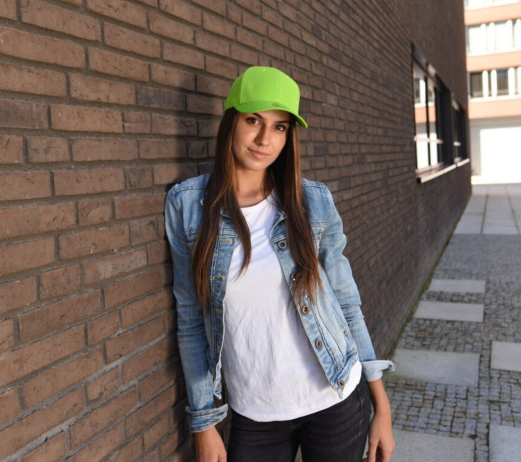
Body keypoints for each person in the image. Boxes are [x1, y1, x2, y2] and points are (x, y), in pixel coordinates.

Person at [165, 66, 396, 462]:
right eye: (253, 120)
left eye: (279, 127)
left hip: (336, 399)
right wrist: (203, 423)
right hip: (255, 415)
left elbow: (346, 303)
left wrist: (382, 407)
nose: (264, 139)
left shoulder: (312, 202)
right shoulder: (188, 206)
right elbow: (190, 320)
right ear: (231, 122)